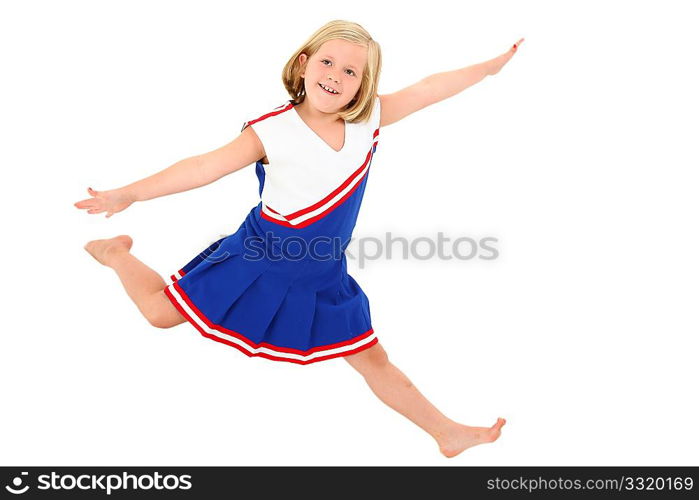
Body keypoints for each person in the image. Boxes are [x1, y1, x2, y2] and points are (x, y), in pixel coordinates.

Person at [74, 19, 524, 458]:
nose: (336, 76)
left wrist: (489, 67)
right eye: (328, 62)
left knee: (374, 359)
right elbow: (201, 167)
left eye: (351, 72)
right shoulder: (271, 131)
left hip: (322, 274)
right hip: (259, 258)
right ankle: (116, 253)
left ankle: (447, 433)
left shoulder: (370, 118)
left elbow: (430, 88)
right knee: (159, 314)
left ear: (363, 84)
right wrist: (129, 192)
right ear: (305, 63)